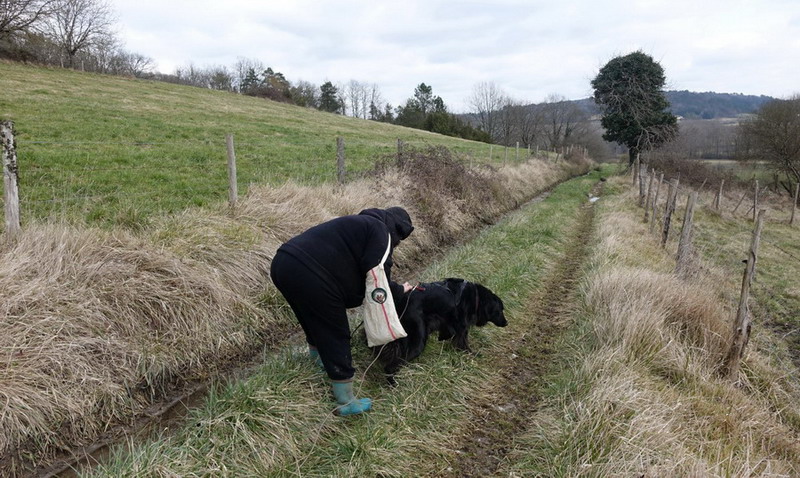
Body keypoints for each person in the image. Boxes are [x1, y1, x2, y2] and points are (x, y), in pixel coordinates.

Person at [270, 206, 414, 416]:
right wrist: (400, 291)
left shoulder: (359, 226)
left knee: (310, 316)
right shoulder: (381, 232)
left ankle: (318, 362)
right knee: (335, 331)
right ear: (398, 232)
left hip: (283, 262)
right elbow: (378, 279)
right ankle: (346, 401)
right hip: (310, 270)